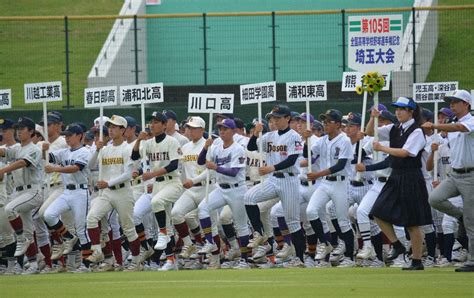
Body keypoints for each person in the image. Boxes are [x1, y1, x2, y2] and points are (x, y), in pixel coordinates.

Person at [366, 97, 432, 270]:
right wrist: (373, 117)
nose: (398, 112)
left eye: (402, 109)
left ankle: (417, 260)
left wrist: (382, 148)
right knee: (377, 212)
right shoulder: (394, 128)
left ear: (411, 112)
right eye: (396, 109)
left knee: (412, 222)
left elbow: (406, 152)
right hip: (396, 176)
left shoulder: (417, 131)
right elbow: (369, 132)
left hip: (411, 177)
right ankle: (397, 245)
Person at [244, 104, 306, 266]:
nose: (274, 120)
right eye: (272, 118)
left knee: (292, 222)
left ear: (287, 118)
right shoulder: (269, 136)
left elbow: (292, 159)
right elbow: (251, 147)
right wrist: (255, 134)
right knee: (249, 197)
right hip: (273, 180)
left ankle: (299, 258)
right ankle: (259, 233)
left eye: (278, 118)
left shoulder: (294, 136)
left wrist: (271, 167)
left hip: (289, 180)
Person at [421, 89, 474, 272]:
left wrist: (436, 126)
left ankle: (472, 261)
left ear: (466, 104)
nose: (452, 104)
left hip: (471, 175)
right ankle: (458, 215)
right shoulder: (452, 125)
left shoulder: (471, 120)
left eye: (455, 101)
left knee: (471, 220)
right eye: (450, 101)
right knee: (435, 199)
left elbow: (460, 129)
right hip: (454, 174)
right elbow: (446, 135)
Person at [0, 117, 44, 274]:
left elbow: (23, 163)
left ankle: (20, 239)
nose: (19, 131)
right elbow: (4, 152)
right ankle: (33, 264)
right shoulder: (18, 148)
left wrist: (4, 170)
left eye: (22, 129)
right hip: (19, 192)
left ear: (31, 131)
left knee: (10, 209)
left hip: (33, 191)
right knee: (27, 230)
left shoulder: (35, 148)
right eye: (17, 129)